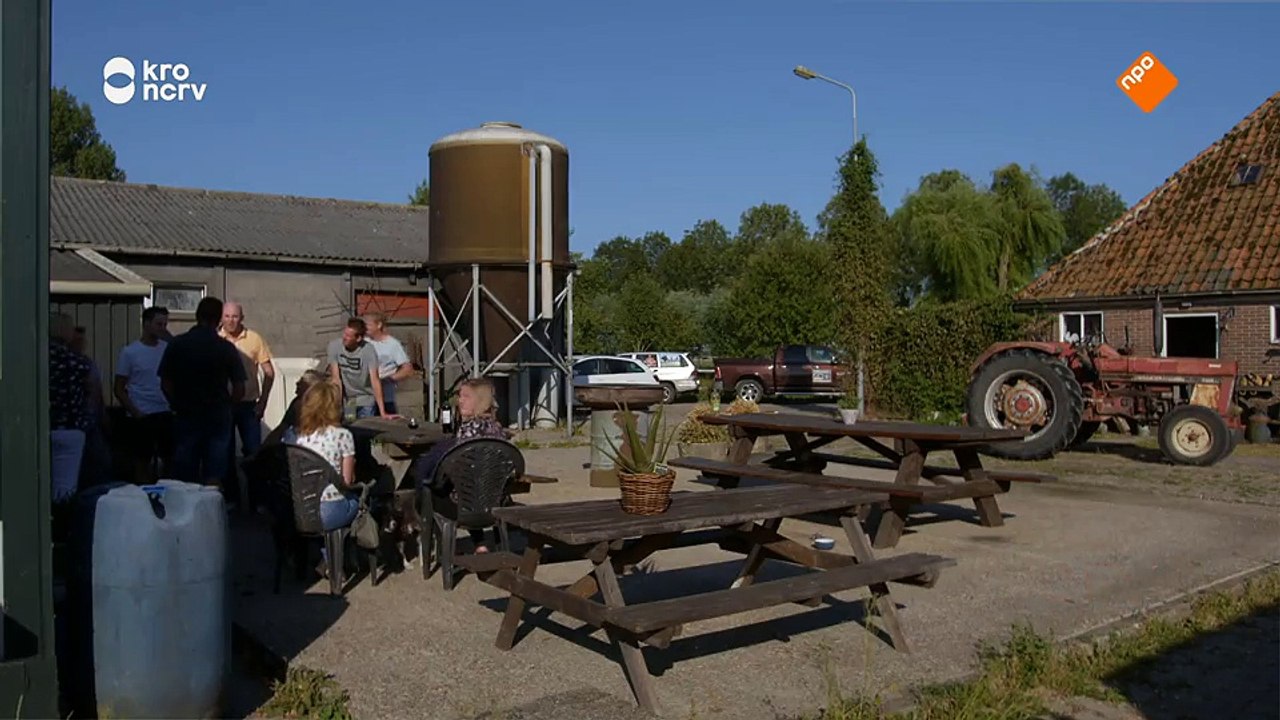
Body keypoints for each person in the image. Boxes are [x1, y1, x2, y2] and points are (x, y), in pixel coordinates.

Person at [157, 297, 247, 494]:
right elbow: (240, 388)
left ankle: (184, 517)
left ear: (197, 316)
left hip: (186, 414)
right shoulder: (225, 348)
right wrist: (228, 406)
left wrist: (176, 403)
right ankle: (211, 517)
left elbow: (165, 383)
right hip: (217, 416)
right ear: (219, 320)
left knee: (184, 474)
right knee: (213, 475)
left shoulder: (178, 344)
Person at [411, 377, 510, 552]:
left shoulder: (466, 432)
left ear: (480, 402)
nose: (460, 400)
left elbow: (449, 472)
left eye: (466, 396)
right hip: (495, 502)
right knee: (475, 488)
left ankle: (441, 548)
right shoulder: (499, 431)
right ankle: (482, 544)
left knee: (432, 490)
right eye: (460, 396)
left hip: (465, 507)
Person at [220, 301, 276, 505]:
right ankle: (231, 499)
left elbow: (270, 373)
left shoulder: (254, 339)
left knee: (253, 452)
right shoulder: (217, 339)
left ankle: (257, 501)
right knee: (224, 453)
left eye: (235, 317)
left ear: (242, 318)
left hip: (248, 404)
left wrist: (263, 402)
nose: (231, 321)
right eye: (227, 316)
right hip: (224, 405)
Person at [287, 380, 360, 531]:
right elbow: (346, 482)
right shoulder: (342, 435)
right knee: (357, 501)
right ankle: (339, 552)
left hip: (296, 512)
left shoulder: (292, 435)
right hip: (329, 511)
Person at [114, 306, 173, 483]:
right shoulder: (130, 352)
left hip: (165, 411)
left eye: (164, 324)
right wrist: (135, 412)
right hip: (142, 413)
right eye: (158, 324)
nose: (162, 328)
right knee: (141, 460)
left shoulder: (167, 349)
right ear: (146, 324)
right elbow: (119, 388)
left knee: (169, 458)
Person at [49, 313, 94, 503]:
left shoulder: (33, 358)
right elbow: (91, 391)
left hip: (39, 427)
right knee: (64, 488)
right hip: (71, 426)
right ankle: (61, 523)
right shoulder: (77, 362)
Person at [71, 326, 113, 487]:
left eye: (83, 339)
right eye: (78, 339)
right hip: (78, 420)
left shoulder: (88, 362)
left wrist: (103, 415)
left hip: (93, 420)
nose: (82, 343)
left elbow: (97, 392)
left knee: (101, 462)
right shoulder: (74, 365)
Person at [327, 317, 390, 419]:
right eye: (344, 334)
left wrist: (383, 411)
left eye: (348, 336)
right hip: (349, 400)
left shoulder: (368, 350)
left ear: (358, 338)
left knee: (366, 429)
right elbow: (336, 379)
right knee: (351, 427)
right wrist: (336, 406)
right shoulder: (335, 346)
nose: (344, 337)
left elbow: (375, 380)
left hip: (366, 398)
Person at [362, 312, 414, 415]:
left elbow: (407, 369)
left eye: (368, 324)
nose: (365, 327)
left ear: (379, 325)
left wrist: (389, 379)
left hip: (386, 397)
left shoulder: (392, 344)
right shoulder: (364, 342)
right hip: (364, 398)